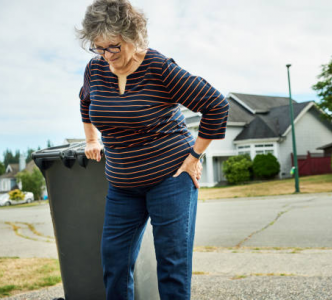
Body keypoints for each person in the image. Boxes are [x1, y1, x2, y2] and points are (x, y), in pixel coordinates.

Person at [75, 0, 229, 299]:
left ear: (132, 36)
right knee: (114, 263)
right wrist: (92, 139)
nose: (106, 56)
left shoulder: (158, 68)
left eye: (113, 47)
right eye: (99, 48)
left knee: (172, 265)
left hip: (169, 178)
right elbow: (85, 101)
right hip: (122, 185)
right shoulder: (95, 69)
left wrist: (195, 155)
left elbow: (216, 105)